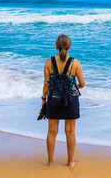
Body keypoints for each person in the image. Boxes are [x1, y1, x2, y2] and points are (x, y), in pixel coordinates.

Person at [41, 34, 85, 167]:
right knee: (70, 132)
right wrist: (73, 85)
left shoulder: (49, 62)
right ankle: (70, 162)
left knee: (51, 132)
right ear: (69, 46)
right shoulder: (75, 62)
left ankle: (50, 162)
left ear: (56, 46)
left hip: (53, 99)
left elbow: (46, 84)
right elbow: (82, 84)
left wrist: (43, 99)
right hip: (71, 100)